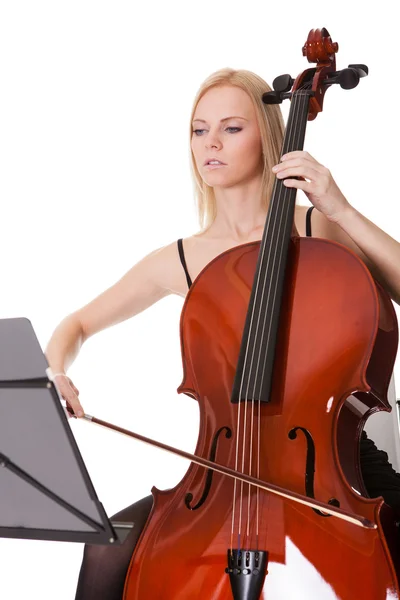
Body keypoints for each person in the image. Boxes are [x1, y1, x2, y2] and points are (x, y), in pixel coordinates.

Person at [45, 68, 400, 599]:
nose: (210, 142)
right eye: (198, 129)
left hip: (333, 471)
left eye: (232, 128)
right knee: (108, 544)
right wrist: (57, 368)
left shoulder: (316, 230)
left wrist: (340, 208)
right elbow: (77, 324)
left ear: (268, 136)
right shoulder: (183, 259)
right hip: (220, 474)